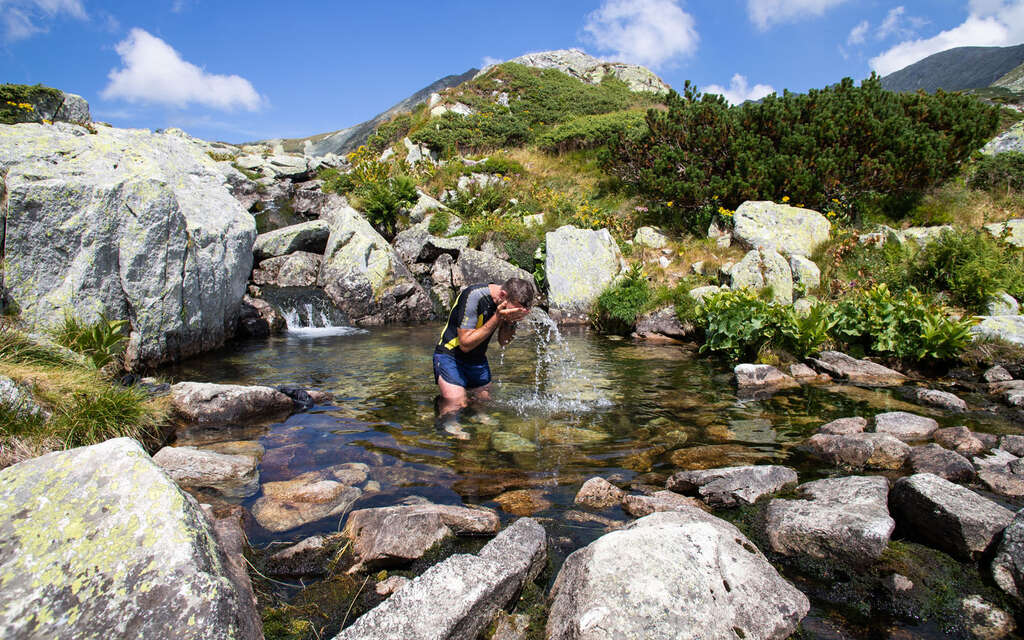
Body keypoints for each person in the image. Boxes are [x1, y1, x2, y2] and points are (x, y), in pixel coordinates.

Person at [433, 277, 535, 418]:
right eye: (514, 309)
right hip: (451, 356)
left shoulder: (508, 305)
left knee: (483, 405)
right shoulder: (474, 296)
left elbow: (504, 341)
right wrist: (497, 317)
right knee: (455, 405)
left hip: (477, 359)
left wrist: (511, 321)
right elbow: (465, 344)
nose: (515, 312)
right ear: (503, 295)